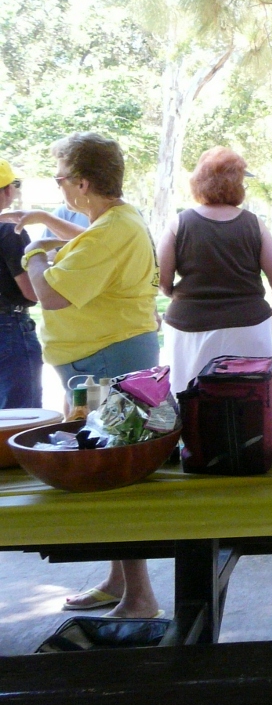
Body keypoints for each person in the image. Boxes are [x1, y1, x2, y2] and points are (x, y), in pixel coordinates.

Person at [9, 133, 162, 618]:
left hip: (106, 363)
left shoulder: (113, 230)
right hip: (100, 362)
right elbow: (89, 241)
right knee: (106, 472)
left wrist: (34, 254)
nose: (59, 188)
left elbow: (51, 295)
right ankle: (120, 582)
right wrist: (47, 224)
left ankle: (140, 598)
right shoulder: (117, 222)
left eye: (60, 179)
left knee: (112, 474)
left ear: (82, 183)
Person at [158, 148, 272, 395]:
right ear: (236, 185)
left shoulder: (178, 223)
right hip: (248, 325)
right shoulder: (254, 224)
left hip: (189, 327)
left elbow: (161, 279)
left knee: (191, 397)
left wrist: (174, 293)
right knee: (248, 399)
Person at [0, 161, 41, 408]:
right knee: (21, 415)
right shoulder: (10, 231)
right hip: (9, 328)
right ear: (7, 190)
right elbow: (32, 291)